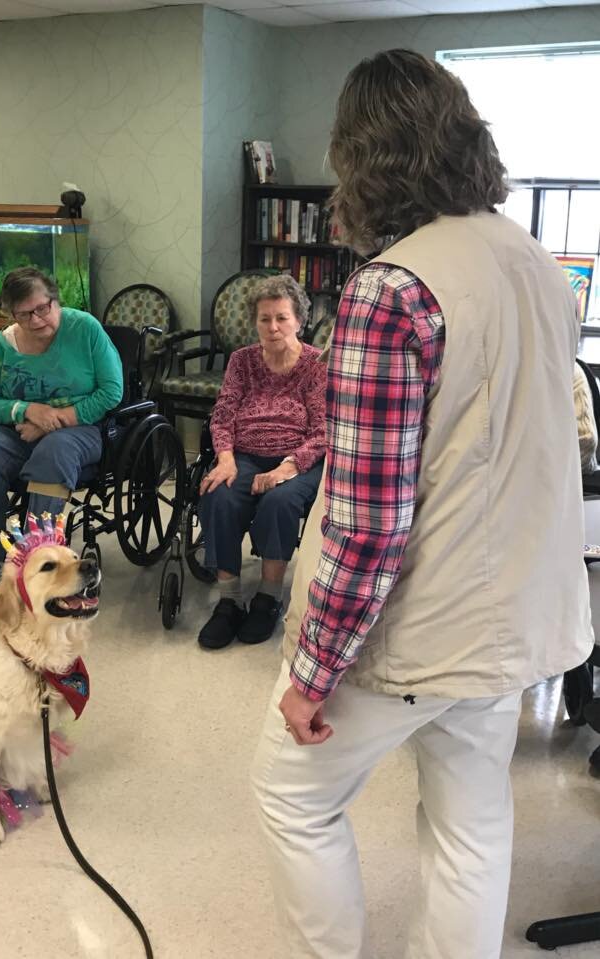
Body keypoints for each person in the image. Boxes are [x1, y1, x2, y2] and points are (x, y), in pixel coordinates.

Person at [250, 50, 594, 959]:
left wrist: (314, 670)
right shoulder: (537, 262)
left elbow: (369, 521)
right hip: (512, 617)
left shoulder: (390, 289)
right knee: (471, 821)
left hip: (418, 623)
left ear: (364, 158)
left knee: (293, 794)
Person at [0, 267, 122, 592]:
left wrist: (52, 421)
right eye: (24, 314)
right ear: (12, 315)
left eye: (42, 308)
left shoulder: (85, 328)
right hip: (19, 430)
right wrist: (29, 411)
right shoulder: (5, 343)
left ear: (55, 300)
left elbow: (111, 392)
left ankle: (37, 563)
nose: (35, 320)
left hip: (83, 428)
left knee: (53, 451)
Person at [197, 274, 325, 650]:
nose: (273, 327)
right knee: (218, 493)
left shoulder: (317, 364)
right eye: (264, 318)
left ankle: (268, 599)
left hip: (298, 459)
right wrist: (225, 459)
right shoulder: (242, 361)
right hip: (244, 455)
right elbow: (223, 416)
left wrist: (287, 467)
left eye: (282, 317)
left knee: (279, 501)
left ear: (299, 320)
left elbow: (324, 429)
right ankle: (229, 601)